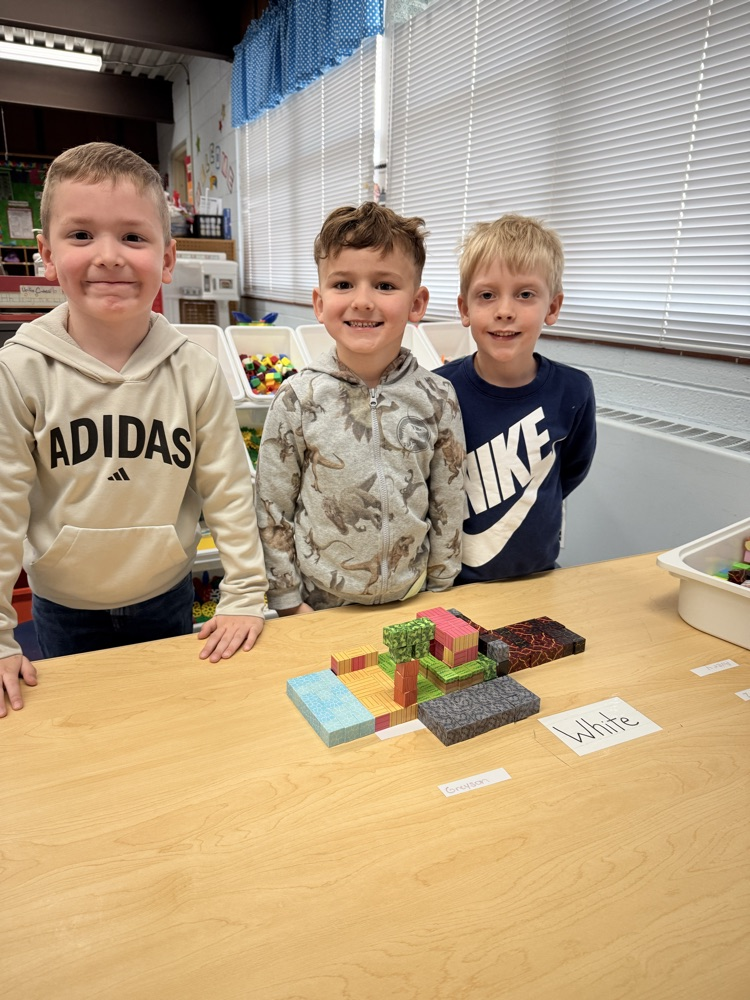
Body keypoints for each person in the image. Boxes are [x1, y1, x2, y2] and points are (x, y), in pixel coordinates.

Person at [0, 142, 268, 718]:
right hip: (62, 607)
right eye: (80, 236)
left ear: (167, 259)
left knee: (175, 726)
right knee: (85, 737)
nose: (109, 256)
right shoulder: (19, 371)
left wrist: (245, 593)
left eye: (133, 237)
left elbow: (228, 489)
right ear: (46, 253)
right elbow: (2, 509)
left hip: (164, 598)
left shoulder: (195, 369)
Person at [254, 202, 466, 615]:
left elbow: (448, 499)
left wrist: (441, 586)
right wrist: (286, 599)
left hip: (415, 600)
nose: (363, 301)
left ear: (416, 303)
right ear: (319, 302)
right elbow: (272, 505)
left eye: (385, 286)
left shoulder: (438, 397)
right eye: (343, 285)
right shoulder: (297, 398)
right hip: (319, 607)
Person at [436, 213, 596, 583]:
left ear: (552, 308)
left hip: (536, 579)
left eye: (525, 295)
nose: (504, 310)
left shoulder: (574, 390)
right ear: (464, 309)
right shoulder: (437, 391)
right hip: (449, 586)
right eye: (487, 295)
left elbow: (570, 470)